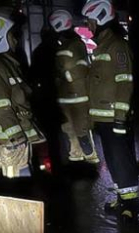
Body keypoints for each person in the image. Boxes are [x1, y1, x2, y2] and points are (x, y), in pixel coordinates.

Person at [82, 0, 139, 221]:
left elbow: (125, 82)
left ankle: (131, 205)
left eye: (90, 21)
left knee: (122, 161)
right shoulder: (103, 47)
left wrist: (120, 117)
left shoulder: (117, 46)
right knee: (114, 161)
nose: (88, 26)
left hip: (116, 118)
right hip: (104, 118)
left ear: (101, 18)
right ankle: (121, 196)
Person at [0, 10, 47, 179]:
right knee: (17, 182)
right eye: (12, 36)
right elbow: (0, 106)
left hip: (20, 138)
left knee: (25, 179)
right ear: (0, 38)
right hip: (13, 141)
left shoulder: (9, 64)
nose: (16, 40)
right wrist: (16, 136)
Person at [49, 9, 98, 164]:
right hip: (73, 96)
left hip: (74, 96)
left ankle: (87, 158)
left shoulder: (70, 45)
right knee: (73, 130)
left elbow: (70, 68)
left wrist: (62, 77)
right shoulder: (75, 43)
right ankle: (79, 157)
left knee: (78, 130)